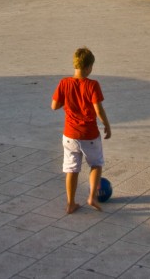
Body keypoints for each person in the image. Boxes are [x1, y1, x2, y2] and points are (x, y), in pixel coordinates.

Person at [51, 47, 111, 214]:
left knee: (71, 169)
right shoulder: (92, 85)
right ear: (87, 67)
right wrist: (107, 124)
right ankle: (92, 196)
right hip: (89, 134)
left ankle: (70, 203)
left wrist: (68, 100)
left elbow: (54, 106)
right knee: (96, 164)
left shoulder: (64, 83)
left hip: (69, 134)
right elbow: (98, 110)